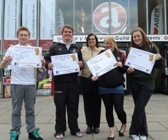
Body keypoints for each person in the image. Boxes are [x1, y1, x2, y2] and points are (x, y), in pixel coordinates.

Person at [1, 26, 44, 140]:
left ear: (29, 37)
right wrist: (5, 60)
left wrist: (43, 63)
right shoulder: (12, 49)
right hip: (16, 84)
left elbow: (40, 68)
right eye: (21, 35)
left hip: (30, 84)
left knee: (30, 110)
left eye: (26, 35)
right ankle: (15, 133)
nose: (24, 37)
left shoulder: (34, 50)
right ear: (17, 36)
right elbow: (3, 66)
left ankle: (31, 131)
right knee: (16, 110)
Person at [44, 24, 83, 139]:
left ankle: (74, 129)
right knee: (60, 107)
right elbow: (46, 60)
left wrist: (81, 64)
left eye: (69, 32)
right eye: (65, 32)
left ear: (72, 34)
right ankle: (59, 130)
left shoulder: (76, 48)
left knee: (73, 107)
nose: (67, 34)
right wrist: (48, 65)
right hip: (60, 82)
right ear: (62, 34)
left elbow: (80, 64)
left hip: (73, 82)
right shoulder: (55, 47)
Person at [127, 27, 164, 140]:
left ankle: (134, 131)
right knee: (140, 108)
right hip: (134, 82)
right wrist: (128, 70)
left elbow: (159, 65)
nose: (137, 38)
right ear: (132, 39)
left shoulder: (152, 47)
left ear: (142, 36)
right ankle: (142, 133)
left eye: (138, 36)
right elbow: (127, 66)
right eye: (134, 37)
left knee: (139, 107)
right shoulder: (131, 50)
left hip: (148, 83)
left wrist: (159, 58)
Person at [91, 36, 127, 140]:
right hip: (104, 87)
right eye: (106, 43)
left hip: (118, 86)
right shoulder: (101, 54)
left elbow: (126, 69)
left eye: (110, 43)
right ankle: (111, 131)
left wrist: (121, 66)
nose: (108, 45)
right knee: (108, 110)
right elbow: (95, 69)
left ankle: (124, 124)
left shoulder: (120, 54)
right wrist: (93, 77)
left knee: (119, 109)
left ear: (114, 43)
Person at [79, 33, 104, 134]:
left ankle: (96, 125)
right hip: (85, 79)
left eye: (93, 39)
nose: (91, 41)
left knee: (97, 103)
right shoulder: (82, 50)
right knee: (87, 103)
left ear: (96, 40)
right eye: (89, 39)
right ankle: (89, 125)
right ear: (87, 41)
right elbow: (79, 62)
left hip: (98, 80)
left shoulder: (102, 50)